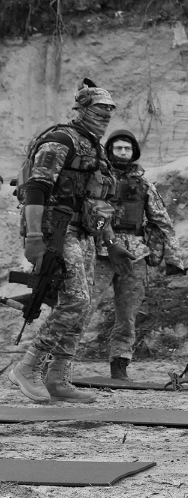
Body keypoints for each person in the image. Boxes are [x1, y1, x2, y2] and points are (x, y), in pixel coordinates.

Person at [9, 79, 132, 404]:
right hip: (55, 229)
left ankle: (58, 377)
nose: (106, 114)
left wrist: (110, 241)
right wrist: (34, 237)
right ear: (81, 108)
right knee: (75, 300)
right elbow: (37, 188)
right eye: (99, 108)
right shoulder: (60, 140)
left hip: (85, 232)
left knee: (83, 303)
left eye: (109, 109)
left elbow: (97, 199)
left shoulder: (94, 147)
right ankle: (27, 366)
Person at [80, 129, 184, 381]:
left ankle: (120, 363)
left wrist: (174, 258)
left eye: (128, 149)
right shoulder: (96, 180)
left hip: (134, 256)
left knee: (127, 314)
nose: (123, 153)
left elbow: (162, 221)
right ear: (109, 151)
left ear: (134, 152)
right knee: (83, 306)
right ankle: (58, 361)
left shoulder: (144, 184)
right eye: (118, 148)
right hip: (100, 253)